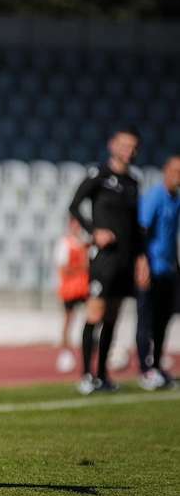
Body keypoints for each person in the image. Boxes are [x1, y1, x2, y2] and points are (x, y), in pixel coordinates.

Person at [68, 127, 149, 395]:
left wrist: (141, 258)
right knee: (95, 314)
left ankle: (103, 374)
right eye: (125, 145)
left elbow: (136, 227)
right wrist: (94, 231)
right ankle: (85, 375)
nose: (129, 151)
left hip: (125, 259)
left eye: (133, 147)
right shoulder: (99, 175)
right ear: (112, 145)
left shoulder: (133, 182)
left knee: (113, 317)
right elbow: (74, 206)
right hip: (104, 258)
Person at [136, 155, 180, 390]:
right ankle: (145, 368)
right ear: (166, 171)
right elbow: (141, 231)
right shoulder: (155, 197)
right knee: (146, 320)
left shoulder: (177, 200)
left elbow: (172, 237)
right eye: (176, 171)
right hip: (150, 269)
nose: (178, 177)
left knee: (163, 320)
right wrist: (142, 263)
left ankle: (158, 363)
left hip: (168, 270)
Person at [53, 216, 90, 373]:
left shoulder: (85, 243)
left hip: (84, 287)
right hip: (70, 288)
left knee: (92, 318)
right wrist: (80, 268)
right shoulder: (64, 243)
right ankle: (65, 352)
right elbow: (63, 267)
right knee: (68, 320)